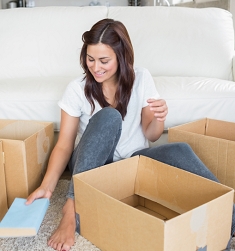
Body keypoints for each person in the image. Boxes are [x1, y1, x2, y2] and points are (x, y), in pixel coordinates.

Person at [26, 18, 235, 251]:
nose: (96, 67)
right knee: (109, 116)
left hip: (133, 164)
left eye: (104, 61)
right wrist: (47, 186)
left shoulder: (142, 78)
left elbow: (152, 134)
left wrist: (159, 117)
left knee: (180, 149)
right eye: (91, 59)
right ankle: (72, 206)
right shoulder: (77, 89)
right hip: (93, 167)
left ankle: (229, 215)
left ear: (122, 57)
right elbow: (64, 145)